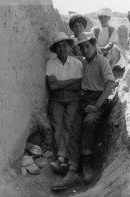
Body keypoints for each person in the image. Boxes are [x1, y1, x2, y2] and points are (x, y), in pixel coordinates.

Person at [51, 32, 116, 191]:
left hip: (98, 100)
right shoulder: (83, 63)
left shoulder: (102, 62)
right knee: (74, 123)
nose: (85, 49)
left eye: (87, 46)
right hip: (84, 100)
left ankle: (87, 163)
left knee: (89, 121)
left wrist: (97, 106)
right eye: (82, 47)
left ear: (94, 45)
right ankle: (72, 170)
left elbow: (110, 84)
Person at [46, 32, 83, 175]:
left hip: (73, 98)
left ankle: (61, 158)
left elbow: (78, 85)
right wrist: (71, 82)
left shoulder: (77, 63)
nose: (61, 48)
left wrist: (60, 83)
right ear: (55, 49)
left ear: (69, 47)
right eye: (58, 46)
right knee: (57, 125)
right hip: (56, 99)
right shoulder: (51, 63)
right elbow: (52, 87)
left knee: (69, 123)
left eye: (64, 45)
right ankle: (64, 160)